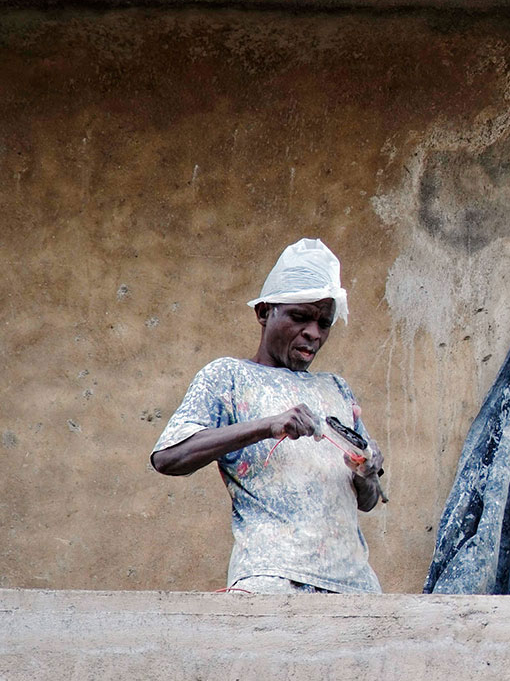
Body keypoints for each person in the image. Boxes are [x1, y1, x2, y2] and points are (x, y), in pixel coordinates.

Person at [151, 238, 386, 593]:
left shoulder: (337, 390)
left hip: (354, 586)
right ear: (264, 312)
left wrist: (367, 473)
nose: (313, 332)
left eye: (324, 323)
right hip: (273, 580)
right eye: (300, 317)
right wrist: (267, 425)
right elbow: (168, 457)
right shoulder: (228, 377)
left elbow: (367, 500)